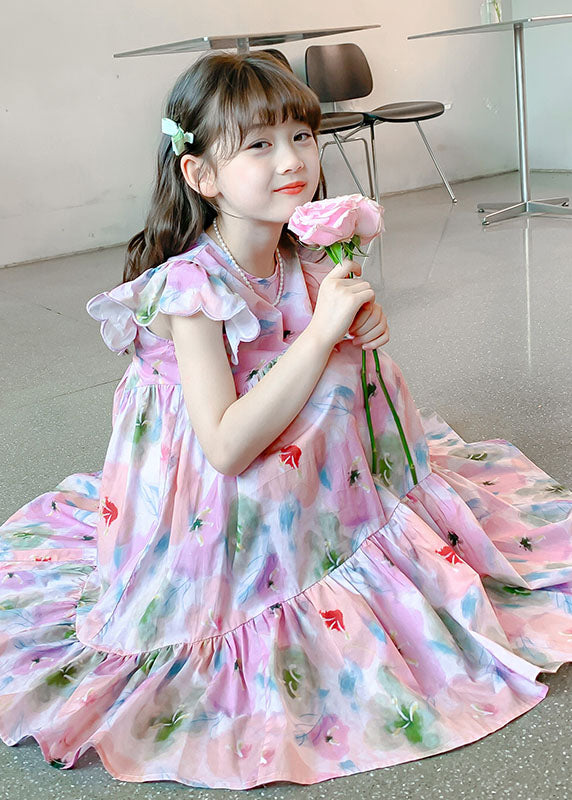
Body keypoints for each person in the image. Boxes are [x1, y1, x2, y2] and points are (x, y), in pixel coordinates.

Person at [0, 51, 571, 792]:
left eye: (302, 136)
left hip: (299, 458)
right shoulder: (191, 289)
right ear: (201, 175)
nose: (293, 159)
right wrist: (322, 334)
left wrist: (357, 323)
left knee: (343, 375)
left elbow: (321, 342)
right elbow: (225, 445)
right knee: (324, 377)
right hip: (211, 483)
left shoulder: (296, 253)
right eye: (259, 145)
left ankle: (358, 530)